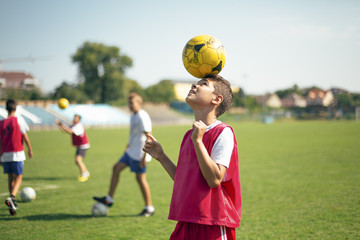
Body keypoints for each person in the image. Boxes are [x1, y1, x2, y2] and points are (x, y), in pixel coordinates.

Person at [143, 74, 242, 240]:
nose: (194, 86)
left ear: (217, 99)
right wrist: (162, 157)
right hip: (187, 219)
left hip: (212, 222)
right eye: (196, 83)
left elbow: (214, 179)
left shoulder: (223, 132)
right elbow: (184, 180)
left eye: (203, 84)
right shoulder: (189, 135)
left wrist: (198, 141)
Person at [93, 92, 155, 217]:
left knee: (140, 179)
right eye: (129, 103)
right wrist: (126, 148)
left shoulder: (143, 116)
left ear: (139, 103)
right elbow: (133, 135)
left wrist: (145, 157)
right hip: (130, 152)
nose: (130, 105)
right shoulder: (133, 115)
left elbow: (149, 137)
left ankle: (149, 208)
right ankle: (109, 199)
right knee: (116, 169)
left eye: (132, 103)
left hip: (139, 154)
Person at [1, 99, 33, 216]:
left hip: (5, 154)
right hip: (17, 153)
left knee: (10, 177)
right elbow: (25, 136)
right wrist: (30, 148)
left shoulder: (2, 122)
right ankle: (12, 197)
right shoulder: (19, 120)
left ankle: (12, 204)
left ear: (6, 109)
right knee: (19, 177)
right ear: (15, 109)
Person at [55, 114, 90, 182]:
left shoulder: (78, 126)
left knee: (78, 160)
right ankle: (86, 172)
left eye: (76, 118)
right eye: (74, 118)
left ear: (79, 120)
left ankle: (84, 175)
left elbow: (70, 131)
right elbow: (65, 130)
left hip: (83, 145)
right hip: (79, 145)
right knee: (77, 161)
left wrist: (61, 124)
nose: (74, 119)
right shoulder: (73, 125)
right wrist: (59, 125)